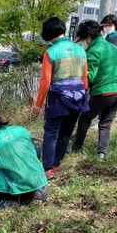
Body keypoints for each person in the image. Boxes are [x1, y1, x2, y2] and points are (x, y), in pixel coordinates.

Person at [31, 16, 89, 179]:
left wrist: (38, 104)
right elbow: (85, 78)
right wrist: (82, 95)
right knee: (66, 132)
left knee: (51, 133)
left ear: (48, 33)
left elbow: (46, 81)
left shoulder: (50, 52)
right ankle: (56, 164)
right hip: (78, 96)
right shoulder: (80, 50)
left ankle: (47, 169)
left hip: (58, 99)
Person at [0, 106, 49, 208]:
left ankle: (8, 199)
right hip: (41, 186)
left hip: (20, 193)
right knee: (35, 149)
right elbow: (36, 153)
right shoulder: (21, 130)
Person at [72, 20, 117, 161]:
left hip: (104, 92)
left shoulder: (95, 50)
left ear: (88, 36)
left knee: (85, 118)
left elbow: (89, 75)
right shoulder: (111, 47)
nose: (84, 42)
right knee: (105, 123)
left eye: (84, 39)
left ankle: (77, 147)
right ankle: (101, 153)